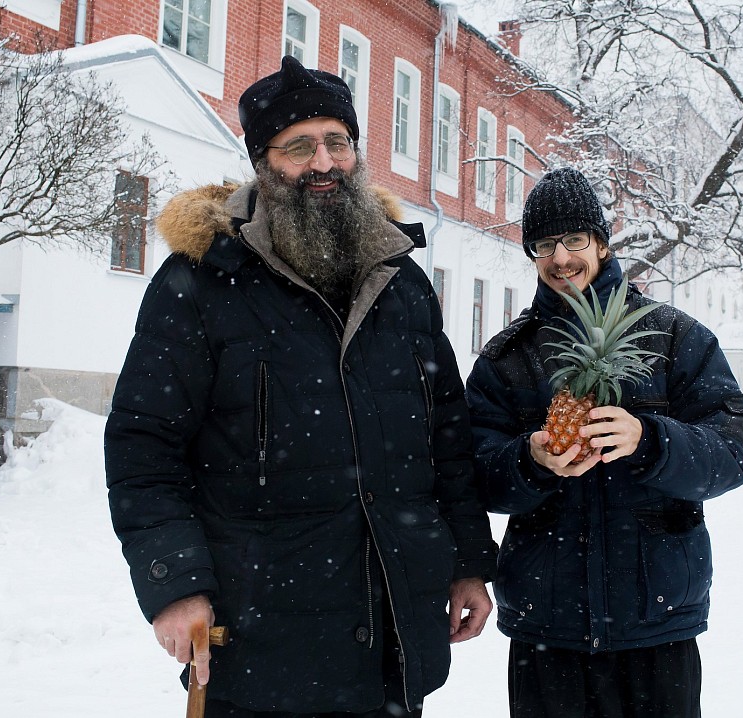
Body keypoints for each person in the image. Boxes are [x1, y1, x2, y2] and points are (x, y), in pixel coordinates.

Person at [105, 55, 497, 718]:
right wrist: (175, 585)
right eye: (299, 145)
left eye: (337, 141)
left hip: (392, 640)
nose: (324, 162)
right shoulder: (200, 283)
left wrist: (466, 560)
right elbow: (143, 447)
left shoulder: (401, 283)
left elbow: (445, 437)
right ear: (263, 161)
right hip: (261, 644)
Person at [465, 167, 743, 718]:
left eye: (574, 239)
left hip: (656, 620)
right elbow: (471, 472)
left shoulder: (673, 338)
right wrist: (528, 460)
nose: (560, 258)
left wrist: (651, 441)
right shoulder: (507, 358)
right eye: (544, 245)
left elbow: (730, 451)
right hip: (548, 627)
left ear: (601, 242)